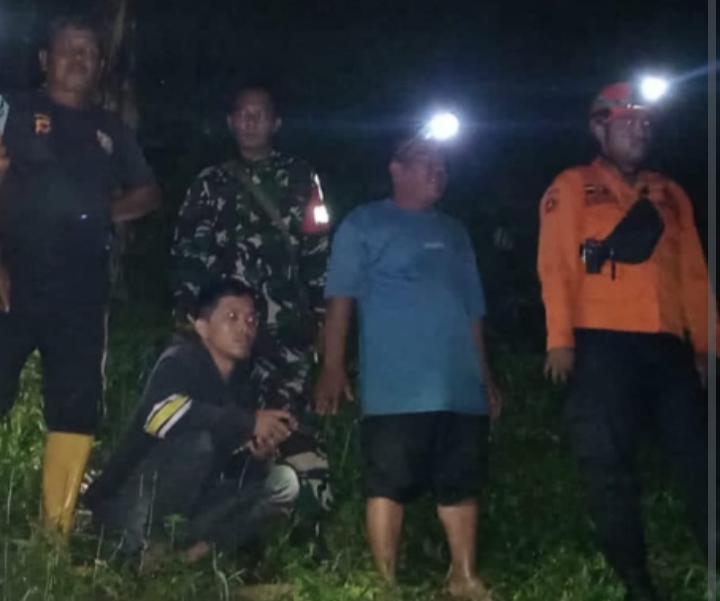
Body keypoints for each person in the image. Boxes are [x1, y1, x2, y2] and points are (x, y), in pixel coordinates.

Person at [537, 81, 717, 601]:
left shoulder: (670, 194)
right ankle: (636, 581)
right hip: (602, 344)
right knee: (609, 466)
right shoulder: (573, 186)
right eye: (629, 122)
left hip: (667, 346)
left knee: (699, 459)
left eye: (646, 123)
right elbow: (556, 266)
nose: (641, 130)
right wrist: (559, 339)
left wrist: (707, 344)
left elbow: (694, 274)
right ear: (601, 129)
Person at [316, 137, 502, 600]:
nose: (438, 172)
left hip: (458, 385)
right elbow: (340, 299)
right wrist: (332, 366)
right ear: (396, 170)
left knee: (460, 481)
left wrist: (486, 378)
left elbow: (473, 311)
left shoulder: (455, 232)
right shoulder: (364, 223)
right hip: (396, 387)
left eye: (443, 166)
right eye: (426, 164)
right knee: (388, 483)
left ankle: (463, 577)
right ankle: (384, 584)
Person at [0, 15, 160, 536]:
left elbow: (147, 192)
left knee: (75, 406)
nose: (78, 59)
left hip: (81, 291)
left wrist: (102, 213)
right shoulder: (11, 111)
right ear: (45, 59)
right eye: (68, 49)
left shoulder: (110, 129)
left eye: (88, 52)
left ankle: (54, 536)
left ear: (100, 66)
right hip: (12, 278)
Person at [171, 83, 332, 543]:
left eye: (260, 113)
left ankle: (304, 532)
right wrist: (188, 319)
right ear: (230, 121)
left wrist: (323, 321)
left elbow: (319, 252)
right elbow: (187, 255)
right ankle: (230, 534)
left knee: (288, 423)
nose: (250, 121)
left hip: (285, 332)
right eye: (242, 113)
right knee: (232, 425)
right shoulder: (209, 183)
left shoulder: (302, 178)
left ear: (276, 122)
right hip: (223, 338)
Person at [83, 279, 300, 566]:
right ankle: (145, 548)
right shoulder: (180, 360)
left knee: (283, 483)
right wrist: (247, 422)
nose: (244, 328)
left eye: (251, 320)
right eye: (232, 317)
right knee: (197, 443)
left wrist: (256, 455)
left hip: (187, 509)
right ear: (202, 327)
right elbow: (160, 416)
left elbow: (223, 463)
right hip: (130, 505)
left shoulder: (241, 384)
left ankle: (188, 558)